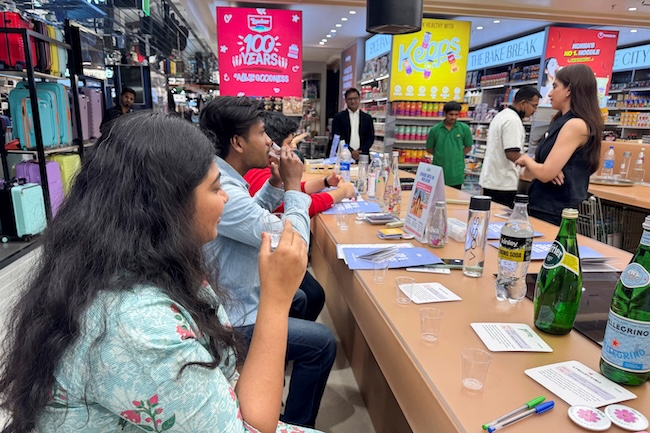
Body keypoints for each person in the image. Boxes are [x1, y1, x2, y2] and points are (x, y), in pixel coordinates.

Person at [0, 112, 320, 433]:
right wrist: (276, 300)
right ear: (169, 205)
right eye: (214, 188)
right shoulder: (137, 324)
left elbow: (227, 380)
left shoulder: (151, 265)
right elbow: (250, 427)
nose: (224, 197)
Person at [199, 97, 336, 428]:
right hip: (233, 314)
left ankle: (270, 372)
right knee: (322, 343)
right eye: (262, 133)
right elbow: (293, 243)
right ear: (238, 142)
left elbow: (252, 217)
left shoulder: (225, 178)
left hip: (236, 294)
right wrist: (292, 186)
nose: (269, 141)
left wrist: (275, 184)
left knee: (301, 298)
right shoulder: (225, 189)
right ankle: (293, 422)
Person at [515, 64, 603, 225]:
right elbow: (530, 173)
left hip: (556, 211)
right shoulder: (560, 121)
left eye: (555, 86)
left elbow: (544, 173)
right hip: (541, 205)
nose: (550, 93)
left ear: (569, 90)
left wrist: (528, 160)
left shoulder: (575, 125)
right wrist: (542, 167)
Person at [246, 111, 357, 218]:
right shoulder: (260, 174)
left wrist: (325, 182)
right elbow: (300, 206)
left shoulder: (267, 168)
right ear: (272, 146)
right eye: (289, 143)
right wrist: (343, 192)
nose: (292, 148)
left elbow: (291, 190)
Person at [479, 86, 541, 207]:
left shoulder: (502, 115)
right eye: (534, 106)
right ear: (523, 103)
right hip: (503, 184)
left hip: (492, 180)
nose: (534, 110)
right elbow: (512, 153)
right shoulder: (513, 120)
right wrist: (535, 165)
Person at [425, 101, 473, 189]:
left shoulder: (464, 128)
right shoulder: (435, 130)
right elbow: (429, 149)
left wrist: (457, 154)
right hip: (438, 170)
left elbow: (468, 146)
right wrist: (441, 155)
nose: (453, 117)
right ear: (445, 113)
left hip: (456, 171)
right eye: (451, 114)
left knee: (455, 195)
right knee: (438, 195)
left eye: (456, 114)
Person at [331, 88, 375, 161]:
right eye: (350, 99)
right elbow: (337, 136)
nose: (353, 101)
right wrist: (350, 151)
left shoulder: (367, 118)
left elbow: (370, 137)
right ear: (345, 100)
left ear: (359, 98)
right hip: (344, 156)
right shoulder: (338, 117)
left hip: (363, 156)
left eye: (355, 98)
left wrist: (360, 151)